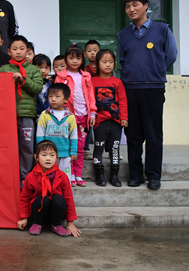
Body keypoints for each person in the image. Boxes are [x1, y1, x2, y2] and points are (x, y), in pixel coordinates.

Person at [118, 0, 177, 190]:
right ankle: (135, 175)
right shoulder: (123, 35)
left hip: (153, 88)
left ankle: (153, 175)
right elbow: (123, 60)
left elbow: (171, 55)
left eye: (135, 5)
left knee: (153, 134)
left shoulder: (162, 29)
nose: (131, 9)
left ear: (145, 6)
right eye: (127, 6)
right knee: (133, 134)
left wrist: (156, 71)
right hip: (130, 89)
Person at [0, 36, 42, 184]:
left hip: (27, 116)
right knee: (8, 147)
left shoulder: (34, 70)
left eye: (22, 49)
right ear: (8, 51)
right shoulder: (4, 69)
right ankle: (8, 177)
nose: (18, 52)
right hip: (7, 116)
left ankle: (25, 178)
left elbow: (37, 88)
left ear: (28, 51)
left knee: (27, 147)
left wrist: (23, 79)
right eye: (15, 49)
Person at [17, 140, 81, 237]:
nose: (48, 158)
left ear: (56, 157)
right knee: (43, 198)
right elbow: (24, 198)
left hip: (56, 213)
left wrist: (70, 224)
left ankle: (56, 225)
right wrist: (24, 218)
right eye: (44, 155)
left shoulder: (62, 176)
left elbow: (69, 199)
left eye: (52, 155)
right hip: (38, 212)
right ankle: (37, 224)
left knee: (58, 198)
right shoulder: (30, 176)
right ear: (36, 157)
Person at [55, 45, 97, 187]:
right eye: (71, 58)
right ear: (66, 59)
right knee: (68, 146)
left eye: (78, 58)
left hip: (83, 116)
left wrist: (92, 113)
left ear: (82, 60)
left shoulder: (86, 76)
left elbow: (91, 96)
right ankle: (70, 174)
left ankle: (78, 175)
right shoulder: (61, 76)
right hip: (67, 118)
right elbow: (57, 97)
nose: (74, 61)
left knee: (79, 147)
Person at [92, 49, 128, 187]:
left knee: (114, 148)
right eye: (104, 62)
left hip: (115, 122)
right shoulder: (92, 81)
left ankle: (114, 176)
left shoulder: (117, 82)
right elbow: (90, 101)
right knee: (98, 147)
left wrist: (124, 117)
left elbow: (123, 101)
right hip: (99, 121)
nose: (108, 65)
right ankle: (99, 175)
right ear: (97, 64)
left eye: (111, 62)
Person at [36, 84, 78, 184]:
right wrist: (39, 151)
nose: (53, 99)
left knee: (64, 179)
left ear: (66, 99)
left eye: (57, 96)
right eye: (50, 96)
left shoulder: (71, 117)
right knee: (47, 178)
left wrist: (73, 151)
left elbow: (74, 136)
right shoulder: (44, 115)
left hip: (64, 155)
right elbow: (40, 134)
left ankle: (63, 194)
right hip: (48, 154)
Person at [33, 54, 52, 119]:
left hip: (47, 115)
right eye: (40, 67)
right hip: (35, 114)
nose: (43, 71)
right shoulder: (32, 83)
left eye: (46, 68)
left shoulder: (50, 84)